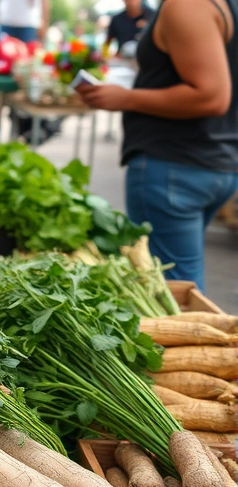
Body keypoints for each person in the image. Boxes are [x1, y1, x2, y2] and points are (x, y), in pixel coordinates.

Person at [77, 0, 236, 291]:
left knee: (170, 294)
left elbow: (212, 96)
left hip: (175, 166)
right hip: (208, 163)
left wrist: (127, 98)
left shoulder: (188, 5)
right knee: (177, 286)